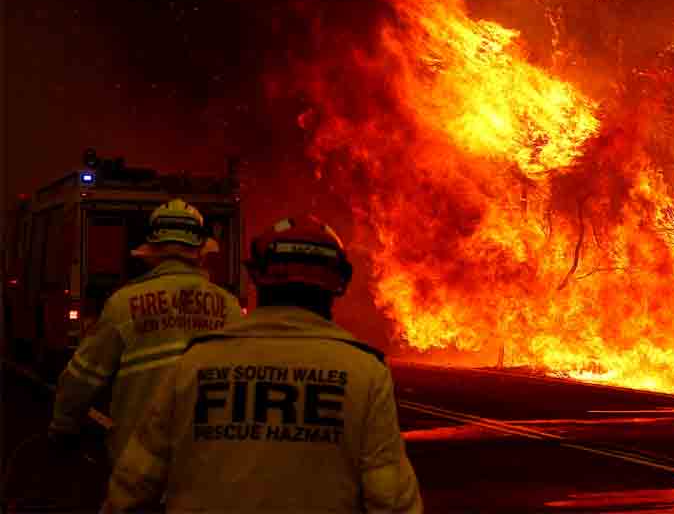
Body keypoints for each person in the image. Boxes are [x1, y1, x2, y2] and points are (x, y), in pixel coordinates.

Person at [103, 217, 423, 513]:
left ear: (256, 276)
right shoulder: (365, 373)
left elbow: (133, 484)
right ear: (339, 281)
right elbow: (391, 500)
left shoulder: (195, 364)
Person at [49, 198, 244, 463]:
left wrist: (63, 426)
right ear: (201, 251)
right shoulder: (230, 308)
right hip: (206, 462)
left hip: (137, 460)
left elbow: (81, 378)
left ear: (150, 251)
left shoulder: (122, 304)